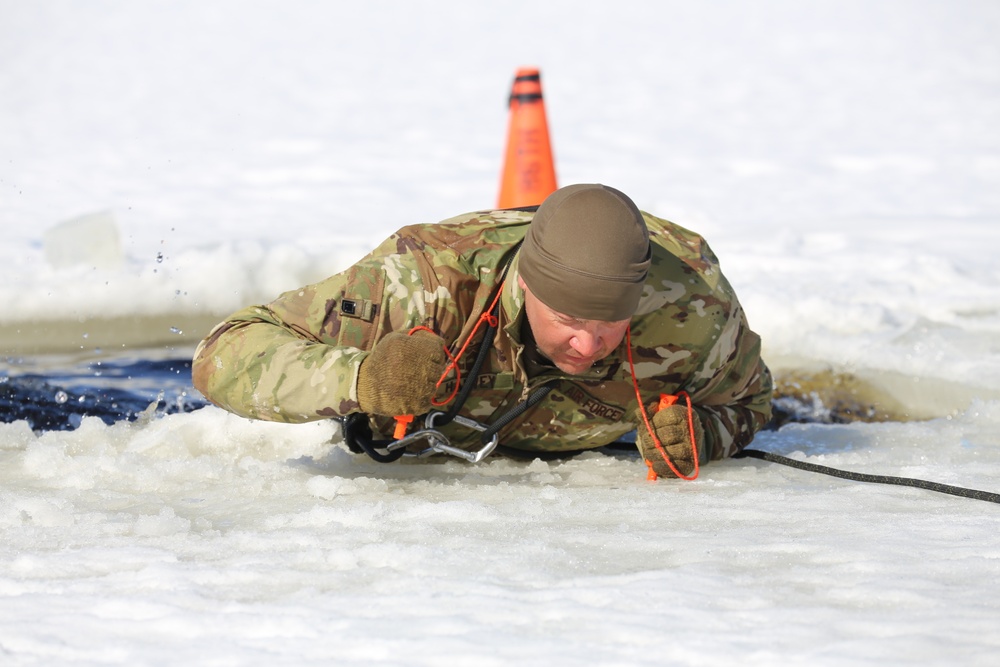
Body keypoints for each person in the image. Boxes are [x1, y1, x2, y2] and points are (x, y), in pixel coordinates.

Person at [192, 184, 772, 478]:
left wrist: (701, 435)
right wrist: (365, 378)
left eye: (610, 325)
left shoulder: (694, 308)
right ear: (528, 288)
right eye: (568, 321)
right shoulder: (423, 283)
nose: (589, 346)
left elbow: (750, 402)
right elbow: (225, 349)